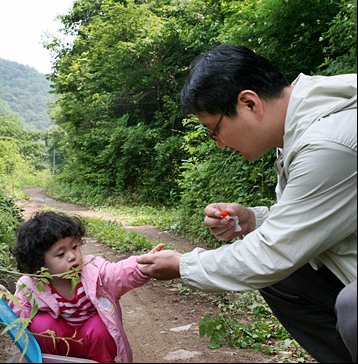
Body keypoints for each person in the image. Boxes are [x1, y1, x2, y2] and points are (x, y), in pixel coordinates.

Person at [136, 45, 357, 363]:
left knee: (353, 303)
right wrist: (253, 220)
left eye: (215, 131)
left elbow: (273, 253)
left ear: (249, 102)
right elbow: (308, 223)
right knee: (284, 277)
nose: (221, 144)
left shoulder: (328, 144)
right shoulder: (300, 127)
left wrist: (183, 266)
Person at [0, 210, 165, 363]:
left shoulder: (93, 270)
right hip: (62, 346)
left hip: (94, 343)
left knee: (100, 326)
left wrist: (141, 265)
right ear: (38, 265)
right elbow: (20, 318)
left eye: (74, 247)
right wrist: (6, 302)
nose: (72, 256)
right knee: (40, 324)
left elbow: (117, 273)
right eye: (61, 254)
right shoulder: (31, 285)